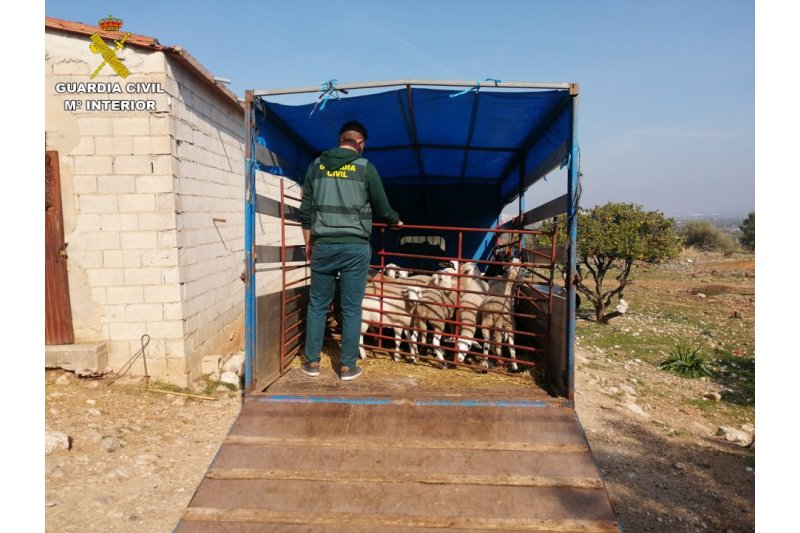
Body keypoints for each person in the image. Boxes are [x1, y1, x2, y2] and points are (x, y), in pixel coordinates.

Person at [298, 120, 402, 381]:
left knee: (318, 305)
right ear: (361, 143)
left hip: (323, 244)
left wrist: (309, 243)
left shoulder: (316, 165)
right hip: (355, 247)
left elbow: (307, 209)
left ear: (340, 139)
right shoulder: (365, 168)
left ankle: (311, 363)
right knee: (352, 307)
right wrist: (395, 221)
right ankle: (347, 366)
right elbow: (381, 204)